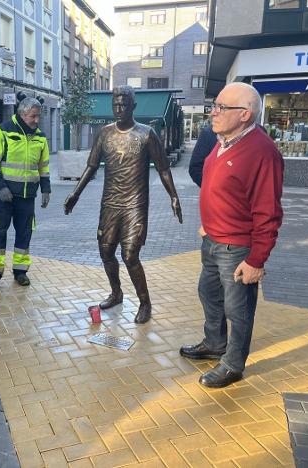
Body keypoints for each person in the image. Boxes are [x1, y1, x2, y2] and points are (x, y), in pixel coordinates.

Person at [180, 82, 284, 388]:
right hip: (212, 241)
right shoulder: (223, 141)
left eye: (222, 107)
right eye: (215, 105)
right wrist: (209, 224)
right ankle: (214, 342)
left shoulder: (262, 152)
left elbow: (268, 213)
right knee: (208, 293)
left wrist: (256, 260)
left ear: (245, 114)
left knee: (238, 309)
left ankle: (233, 364)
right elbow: (221, 189)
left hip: (237, 248)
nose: (213, 112)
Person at [64, 86, 183, 324]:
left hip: (135, 204)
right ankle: (116, 293)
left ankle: (145, 302)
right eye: (116, 105)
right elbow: (92, 166)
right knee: (106, 252)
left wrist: (174, 196)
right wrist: (75, 194)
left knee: (130, 255)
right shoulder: (104, 134)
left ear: (133, 107)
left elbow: (163, 168)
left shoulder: (147, 134)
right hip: (110, 203)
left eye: (124, 105)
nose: (119, 109)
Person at [0, 97, 51, 288]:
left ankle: (20, 272)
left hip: (27, 196)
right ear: (22, 114)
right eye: (33, 116)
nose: (37, 120)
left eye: (38, 116)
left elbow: (43, 166)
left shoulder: (40, 137)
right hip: (4, 196)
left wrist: (46, 190)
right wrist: (1, 187)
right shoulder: (3, 131)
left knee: (24, 233)